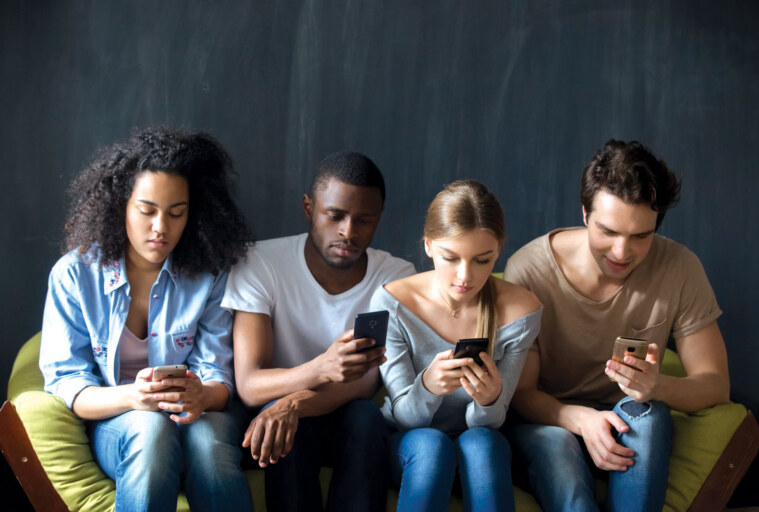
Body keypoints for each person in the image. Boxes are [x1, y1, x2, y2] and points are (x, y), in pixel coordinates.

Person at [503, 139, 730, 512]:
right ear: (585, 214)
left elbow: (716, 384)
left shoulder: (680, 268)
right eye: (608, 232)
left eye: (641, 236)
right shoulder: (529, 269)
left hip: (627, 422)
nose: (622, 253)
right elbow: (521, 392)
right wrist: (581, 420)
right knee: (558, 446)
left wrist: (658, 385)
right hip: (548, 423)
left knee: (650, 416)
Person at [39, 127, 254, 512]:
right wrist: (133, 397)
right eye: (147, 210)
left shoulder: (210, 274)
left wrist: (201, 396)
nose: (161, 227)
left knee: (209, 445)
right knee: (150, 427)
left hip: (199, 417)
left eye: (177, 213)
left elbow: (220, 375)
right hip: (119, 422)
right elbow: (67, 382)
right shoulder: (73, 275)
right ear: (120, 204)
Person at [222, 151, 415, 512]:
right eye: (335, 216)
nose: (349, 232)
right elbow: (249, 386)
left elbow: (365, 381)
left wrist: (294, 402)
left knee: (365, 417)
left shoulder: (396, 276)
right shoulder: (260, 262)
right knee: (288, 430)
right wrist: (319, 369)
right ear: (309, 207)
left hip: (343, 412)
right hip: (274, 416)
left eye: (364, 220)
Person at [372, 180, 542, 512]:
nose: (465, 276)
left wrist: (490, 398)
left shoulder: (523, 311)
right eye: (451, 257)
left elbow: (489, 424)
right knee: (431, 445)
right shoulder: (389, 303)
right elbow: (407, 420)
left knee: (481, 443)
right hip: (410, 444)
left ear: (499, 250)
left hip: (480, 445)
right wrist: (428, 386)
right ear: (428, 246)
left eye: (483, 260)